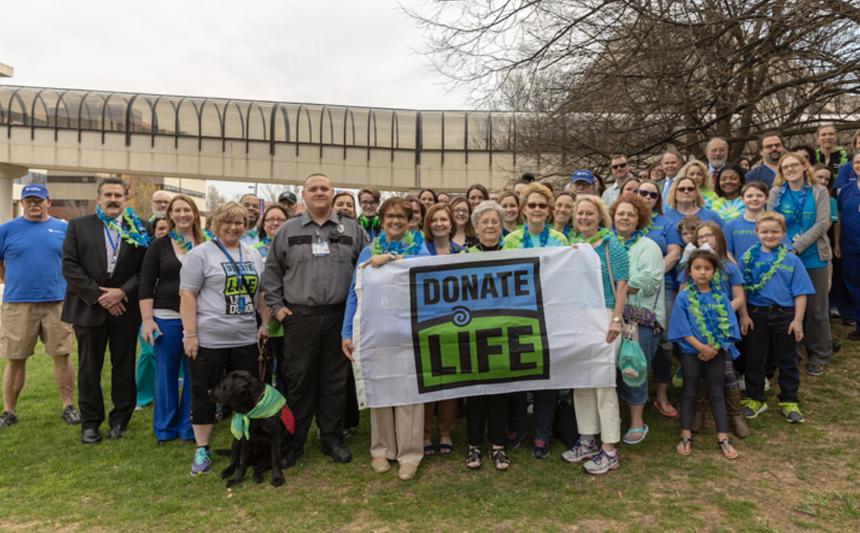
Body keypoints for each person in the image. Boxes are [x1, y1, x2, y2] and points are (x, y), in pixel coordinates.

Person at [262, 174, 369, 468]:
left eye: (324, 188)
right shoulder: (287, 230)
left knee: (335, 382)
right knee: (299, 381)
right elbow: (271, 274)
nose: (319, 193)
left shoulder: (352, 229)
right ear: (304, 195)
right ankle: (293, 443)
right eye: (313, 189)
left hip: (339, 317)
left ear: (332, 193)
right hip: (300, 319)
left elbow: (367, 269)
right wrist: (278, 308)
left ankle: (331, 438)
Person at [341, 197, 430, 481]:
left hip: (410, 329)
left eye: (402, 217)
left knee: (410, 391)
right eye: (390, 216)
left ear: (410, 220)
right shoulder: (368, 250)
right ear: (382, 219)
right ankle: (381, 449)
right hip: (376, 329)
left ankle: (410, 453)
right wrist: (346, 332)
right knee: (379, 386)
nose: (396, 221)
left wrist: (390, 259)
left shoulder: (420, 248)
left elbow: (429, 268)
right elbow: (354, 293)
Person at [179, 201, 267, 475]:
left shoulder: (252, 254)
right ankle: (202, 449)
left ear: (246, 225)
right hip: (209, 340)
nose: (233, 227)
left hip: (244, 338)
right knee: (204, 393)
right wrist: (190, 334)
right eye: (227, 222)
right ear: (216, 225)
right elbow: (187, 295)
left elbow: (260, 294)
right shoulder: (201, 254)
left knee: (246, 395)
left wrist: (264, 323)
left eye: (239, 222)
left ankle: (245, 443)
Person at [61, 177, 149, 444]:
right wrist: (100, 297)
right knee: (89, 369)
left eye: (118, 195)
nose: (113, 199)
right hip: (89, 309)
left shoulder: (142, 228)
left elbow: (145, 269)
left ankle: (120, 420)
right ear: (98, 198)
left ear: (125, 200)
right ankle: (90, 423)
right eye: (108, 194)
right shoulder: (78, 225)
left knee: (123, 367)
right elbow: (70, 266)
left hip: (125, 309)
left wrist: (122, 292)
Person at [0, 184, 79, 430]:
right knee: (15, 357)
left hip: (57, 302)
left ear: (48, 201)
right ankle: (8, 412)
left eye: (39, 200)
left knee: (61, 354)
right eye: (29, 200)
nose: (34, 204)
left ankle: (68, 407)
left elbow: (74, 262)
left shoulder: (64, 229)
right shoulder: (6, 229)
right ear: (22, 202)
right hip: (18, 303)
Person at [502, 182, 569, 458]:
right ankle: (516, 428)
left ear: (550, 210)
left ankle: (541, 434)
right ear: (523, 210)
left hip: (552, 315)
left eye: (543, 205)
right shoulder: (511, 241)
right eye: (532, 205)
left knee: (547, 378)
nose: (538, 209)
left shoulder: (561, 241)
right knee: (519, 374)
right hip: (520, 314)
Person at [564, 196, 626, 475]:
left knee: (602, 384)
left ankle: (609, 449)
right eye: (580, 214)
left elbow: (622, 285)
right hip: (580, 319)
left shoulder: (613, 245)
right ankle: (587, 440)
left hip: (606, 316)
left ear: (600, 217)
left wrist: (616, 319)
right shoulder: (573, 247)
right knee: (582, 382)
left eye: (590, 214)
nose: (584, 218)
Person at [738, 212, 815, 424]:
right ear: (757, 233)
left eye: (775, 231)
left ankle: (789, 400)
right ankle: (755, 399)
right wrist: (743, 315)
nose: (769, 235)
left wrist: (798, 320)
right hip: (756, 314)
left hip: (785, 315)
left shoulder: (793, 261)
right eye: (764, 231)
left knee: (788, 359)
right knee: (754, 357)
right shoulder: (748, 259)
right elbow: (741, 290)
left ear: (783, 233)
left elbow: (800, 292)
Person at [139, 194, 203, 444]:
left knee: (193, 374)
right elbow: (145, 283)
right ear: (170, 215)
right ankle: (164, 428)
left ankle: (188, 426)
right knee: (165, 374)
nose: (182, 214)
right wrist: (147, 320)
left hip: (199, 319)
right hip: (165, 318)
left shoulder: (206, 243)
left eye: (187, 210)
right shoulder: (159, 245)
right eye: (177, 210)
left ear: (195, 213)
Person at [679, 223, 750, 439]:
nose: (705, 239)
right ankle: (698, 411)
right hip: (696, 330)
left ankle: (736, 415)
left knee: (727, 373)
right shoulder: (690, 268)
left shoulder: (729, 267)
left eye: (709, 235)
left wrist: (725, 314)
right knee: (699, 375)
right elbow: (684, 297)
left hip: (722, 328)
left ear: (718, 236)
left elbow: (739, 296)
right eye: (700, 237)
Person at [669, 250, 740, 459]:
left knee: (716, 392)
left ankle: (723, 438)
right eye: (697, 268)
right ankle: (685, 434)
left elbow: (729, 326)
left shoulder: (721, 297)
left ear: (714, 272)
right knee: (690, 391)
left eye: (707, 268)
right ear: (689, 272)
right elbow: (681, 328)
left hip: (716, 351)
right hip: (692, 352)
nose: (702, 272)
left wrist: (714, 348)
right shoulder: (683, 297)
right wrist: (701, 347)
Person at [767, 152, 832, 376]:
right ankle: (791, 353)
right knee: (788, 308)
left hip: (812, 256)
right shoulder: (776, 192)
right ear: (781, 171)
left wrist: (798, 247)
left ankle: (819, 354)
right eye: (786, 167)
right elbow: (770, 223)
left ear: (805, 167)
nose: (791, 169)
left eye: (795, 165)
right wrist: (787, 249)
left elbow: (822, 223)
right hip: (784, 257)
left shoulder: (819, 191)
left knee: (816, 309)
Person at [610, 195, 665, 445]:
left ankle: (636, 422)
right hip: (609, 315)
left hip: (636, 318)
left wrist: (616, 287)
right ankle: (612, 417)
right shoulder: (606, 244)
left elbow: (649, 281)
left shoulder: (648, 246)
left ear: (639, 220)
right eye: (621, 213)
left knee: (634, 366)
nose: (625, 218)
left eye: (631, 215)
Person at [464, 200, 512, 470]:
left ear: (502, 225)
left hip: (504, 334)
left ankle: (498, 447)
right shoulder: (464, 256)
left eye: (496, 221)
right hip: (473, 334)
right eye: (485, 221)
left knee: (499, 393)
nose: (491, 226)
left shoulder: (514, 254)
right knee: (475, 393)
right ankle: (473, 447)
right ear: (476, 226)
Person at [633, 180, 683, 417]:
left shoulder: (666, 223)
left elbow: (675, 252)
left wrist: (651, 275)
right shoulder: (625, 219)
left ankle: (661, 393)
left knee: (663, 336)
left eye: (653, 194)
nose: (647, 197)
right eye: (643, 192)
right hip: (629, 287)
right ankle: (631, 386)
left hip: (662, 283)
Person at [421, 203, 466, 456]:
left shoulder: (462, 253)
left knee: (450, 380)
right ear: (428, 224)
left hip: (453, 325)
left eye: (444, 220)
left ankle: (445, 431)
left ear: (452, 223)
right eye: (434, 220)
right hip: (425, 326)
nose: (439, 224)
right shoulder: (418, 251)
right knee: (428, 380)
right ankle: (426, 434)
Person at [252, 205, 291, 400]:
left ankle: (284, 402)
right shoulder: (253, 251)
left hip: (285, 313)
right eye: (270, 219)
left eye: (280, 219)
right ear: (263, 224)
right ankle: (263, 403)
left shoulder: (292, 248)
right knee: (263, 363)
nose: (275, 223)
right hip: (261, 316)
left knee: (285, 366)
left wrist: (279, 305)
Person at [135, 215, 170, 411]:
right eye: (160, 229)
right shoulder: (147, 253)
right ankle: (143, 396)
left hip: (175, 313)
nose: (164, 233)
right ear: (153, 232)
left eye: (167, 228)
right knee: (148, 353)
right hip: (150, 312)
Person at [724, 182, 792, 263]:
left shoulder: (775, 224)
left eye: (759, 195)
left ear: (767, 198)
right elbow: (726, 253)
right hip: (740, 273)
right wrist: (737, 271)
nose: (754, 198)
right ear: (742, 199)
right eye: (749, 196)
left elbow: (786, 251)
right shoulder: (731, 225)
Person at [836, 151, 860, 341]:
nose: (859, 165)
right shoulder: (846, 189)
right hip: (850, 244)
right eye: (857, 162)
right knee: (854, 283)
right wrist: (836, 242)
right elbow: (839, 218)